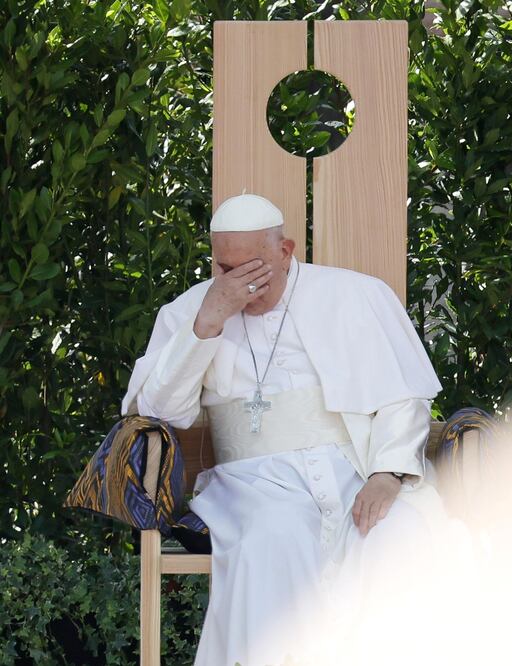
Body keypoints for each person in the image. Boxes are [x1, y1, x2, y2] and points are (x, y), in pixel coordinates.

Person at [119, 192, 452, 665]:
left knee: (398, 534)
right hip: (252, 484)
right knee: (273, 538)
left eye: (253, 271)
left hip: (353, 468)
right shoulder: (192, 309)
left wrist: (388, 472)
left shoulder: (356, 295)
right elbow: (158, 410)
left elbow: (402, 396)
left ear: (285, 250)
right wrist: (209, 321)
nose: (241, 287)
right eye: (225, 270)